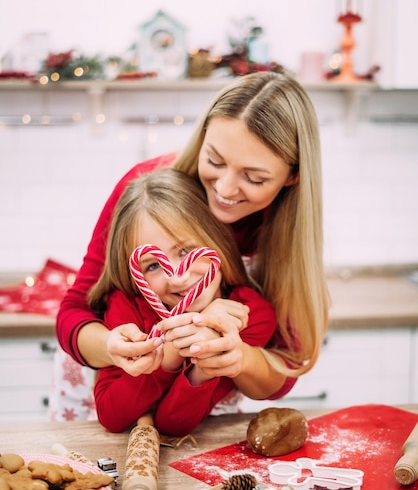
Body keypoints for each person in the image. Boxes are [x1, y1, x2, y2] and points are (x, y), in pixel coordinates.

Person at [57, 70, 329, 407]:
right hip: (112, 391)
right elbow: (74, 311)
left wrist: (238, 357)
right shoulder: (146, 192)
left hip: (200, 408)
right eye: (214, 160)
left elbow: (281, 369)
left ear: (293, 176)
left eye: (255, 178)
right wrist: (111, 346)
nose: (226, 189)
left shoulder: (287, 236)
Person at [90, 168, 278, 434]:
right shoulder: (126, 306)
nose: (177, 277)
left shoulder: (249, 315)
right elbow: (111, 415)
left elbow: (173, 425)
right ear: (135, 273)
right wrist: (171, 353)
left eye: (186, 251)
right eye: (154, 265)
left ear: (216, 239)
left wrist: (205, 351)